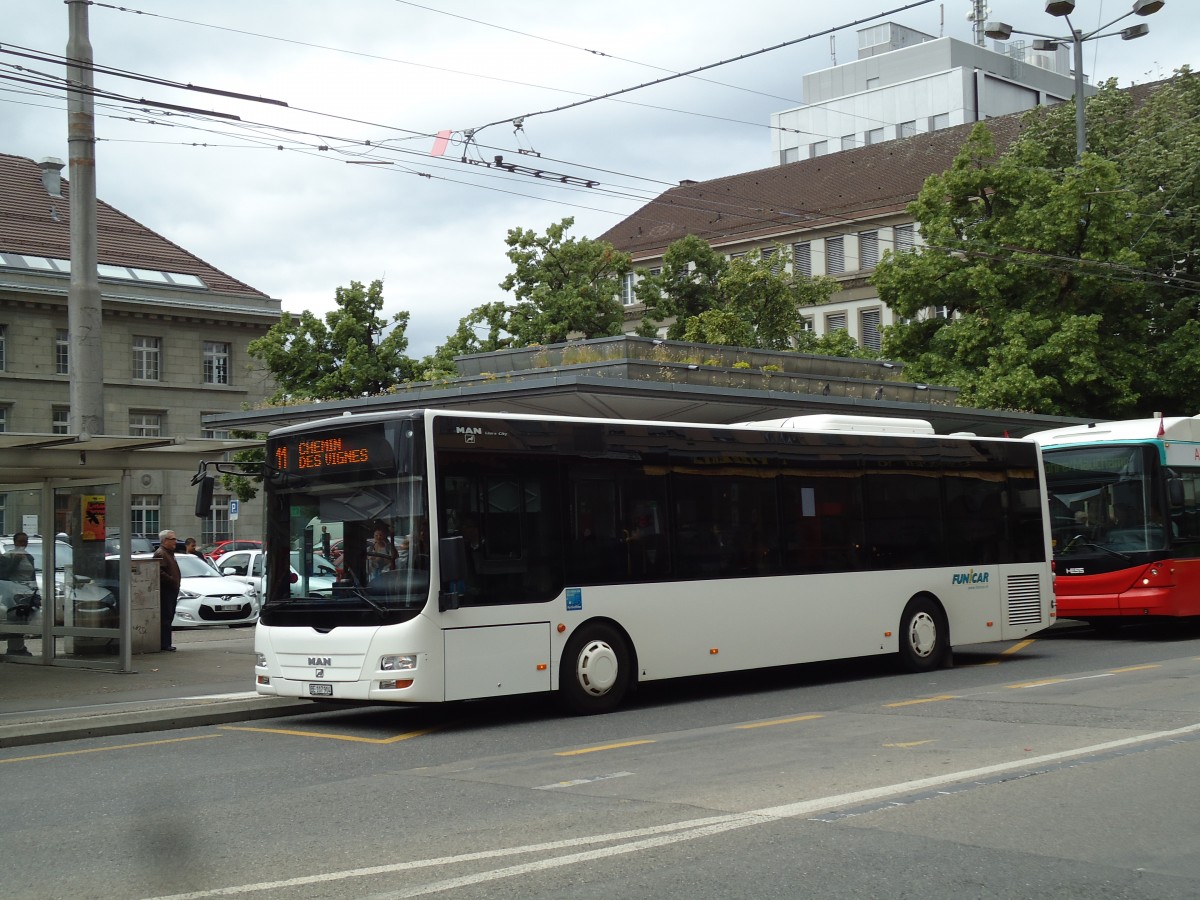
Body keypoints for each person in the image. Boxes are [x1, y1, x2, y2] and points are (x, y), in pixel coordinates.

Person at [3, 532, 38, 656]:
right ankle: (13, 648)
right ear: (15, 542)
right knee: (14, 619)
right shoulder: (8, 556)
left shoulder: (28, 557)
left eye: (25, 541)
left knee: (23, 620)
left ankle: (19, 647)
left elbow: (32, 576)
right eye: (21, 542)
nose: (23, 544)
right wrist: (15, 561)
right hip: (13, 593)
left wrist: (35, 591)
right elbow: (4, 574)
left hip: (26, 592)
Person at [153, 530, 180, 652]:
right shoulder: (161, 553)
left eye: (175, 539)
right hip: (166, 590)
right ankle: (164, 643)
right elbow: (158, 571)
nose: (175, 541)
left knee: (169, 616)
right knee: (166, 617)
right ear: (165, 541)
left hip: (171, 589)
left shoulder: (169, 553)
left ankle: (166, 643)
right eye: (172, 539)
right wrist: (171, 580)